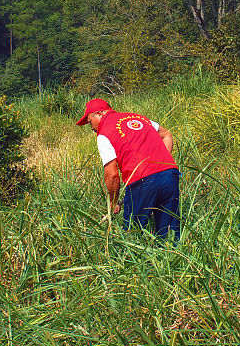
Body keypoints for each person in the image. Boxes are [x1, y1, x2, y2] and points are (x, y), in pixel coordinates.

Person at [76, 98, 181, 242]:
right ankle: (173, 261)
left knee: (132, 237)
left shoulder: (104, 132)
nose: (91, 128)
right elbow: (166, 135)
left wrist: (112, 203)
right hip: (170, 174)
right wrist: (161, 165)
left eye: (89, 122)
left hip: (143, 181)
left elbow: (112, 175)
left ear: (99, 114)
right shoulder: (138, 118)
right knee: (170, 236)